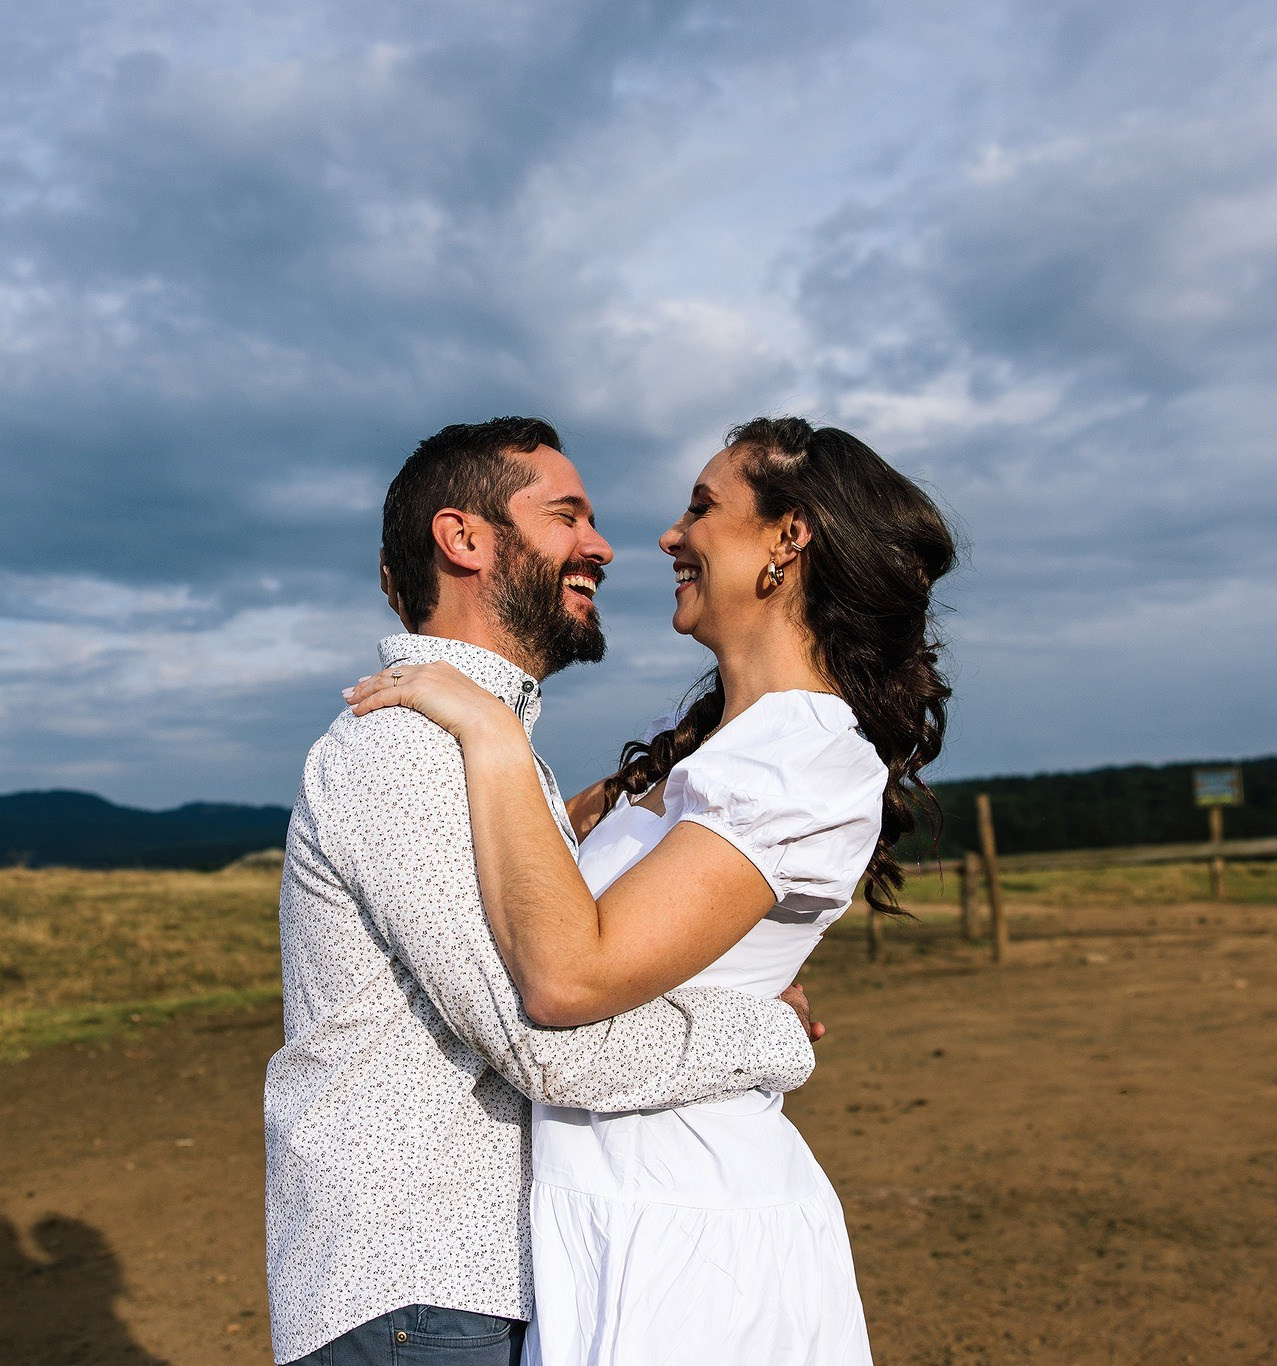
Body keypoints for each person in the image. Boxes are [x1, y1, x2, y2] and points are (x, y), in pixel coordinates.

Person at [346, 416, 956, 1365]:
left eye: (702, 508)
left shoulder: (802, 755)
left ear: (788, 540)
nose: (669, 536)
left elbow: (569, 979)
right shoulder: (714, 746)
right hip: (606, 1212)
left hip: (688, 1228)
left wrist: (497, 739)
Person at [265, 417, 827, 1366]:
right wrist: (772, 1032)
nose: (603, 546)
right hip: (424, 1296)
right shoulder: (409, 748)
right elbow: (549, 1041)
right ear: (468, 540)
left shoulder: (480, 746)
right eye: (568, 516)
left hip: (461, 1296)